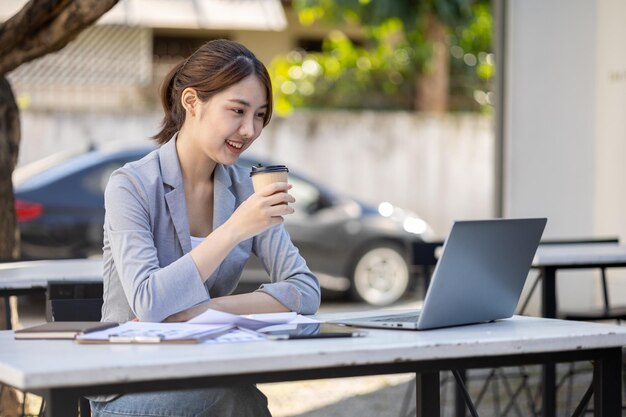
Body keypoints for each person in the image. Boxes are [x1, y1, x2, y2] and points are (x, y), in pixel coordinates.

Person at [90, 39, 321, 417]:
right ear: (192, 102)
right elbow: (148, 303)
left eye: (260, 115)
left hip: (206, 373)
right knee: (237, 401)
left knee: (235, 396)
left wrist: (204, 311)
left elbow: (306, 290)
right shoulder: (130, 185)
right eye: (237, 111)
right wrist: (233, 229)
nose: (249, 129)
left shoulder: (246, 188)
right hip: (128, 385)